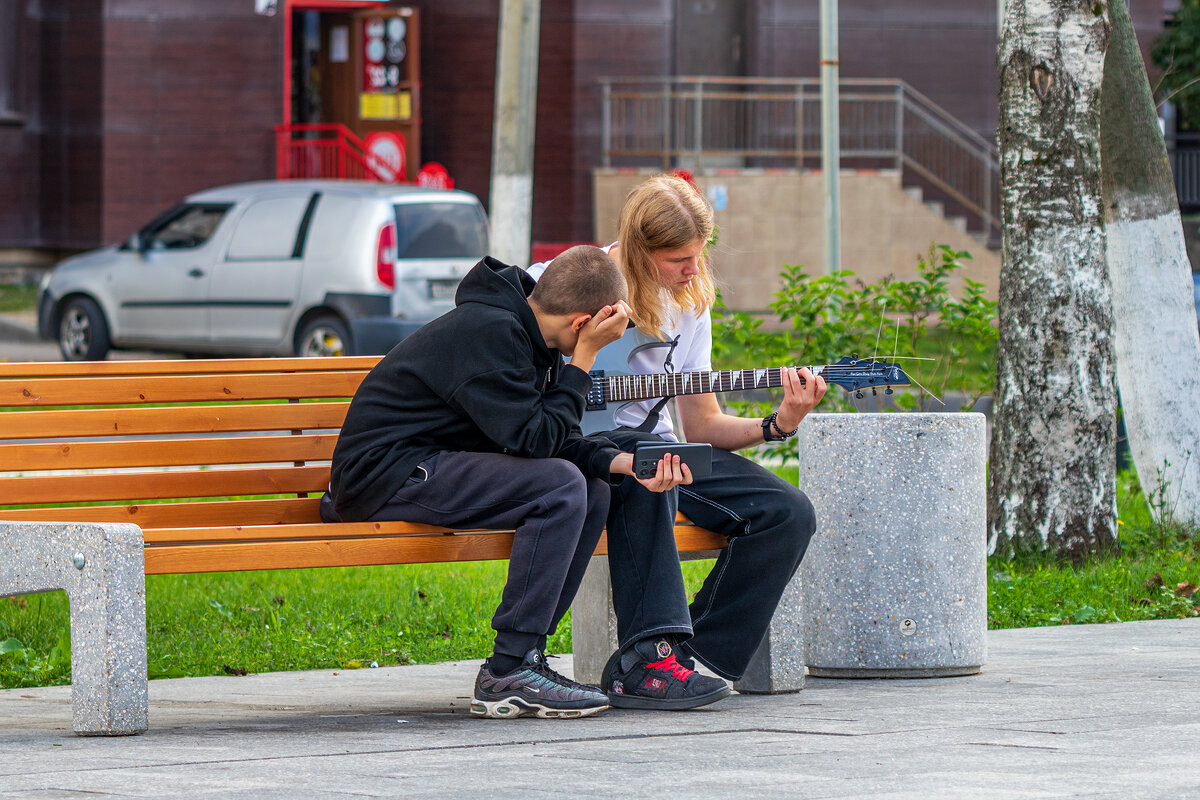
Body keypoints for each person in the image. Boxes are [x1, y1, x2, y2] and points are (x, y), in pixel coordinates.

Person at [321, 245, 692, 720]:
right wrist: (584, 361)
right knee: (560, 485)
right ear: (583, 323)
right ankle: (509, 667)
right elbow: (535, 442)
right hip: (381, 476)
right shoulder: (490, 333)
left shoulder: (532, 334)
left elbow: (558, 439)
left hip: (433, 463)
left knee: (593, 487)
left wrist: (626, 466)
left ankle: (526, 657)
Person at [527, 175, 828, 710]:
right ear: (639, 252)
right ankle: (646, 661)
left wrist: (779, 423)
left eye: (699, 253)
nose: (693, 269)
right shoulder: (569, 281)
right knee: (649, 471)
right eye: (677, 259)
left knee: (787, 512)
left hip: (659, 448)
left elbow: (704, 426)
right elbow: (504, 371)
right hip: (578, 453)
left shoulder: (689, 302)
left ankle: (692, 660)